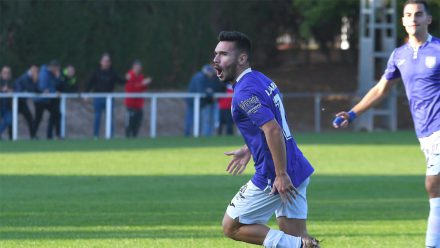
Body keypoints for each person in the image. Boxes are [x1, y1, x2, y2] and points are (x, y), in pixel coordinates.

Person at [333, 1, 440, 247]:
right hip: (424, 133)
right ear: (403, 21)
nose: (414, 18)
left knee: (432, 184)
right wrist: (352, 113)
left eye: (419, 14)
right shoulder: (399, 55)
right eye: (408, 15)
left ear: (428, 19)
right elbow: (381, 89)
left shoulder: (438, 50)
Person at [213, 31, 319, 248]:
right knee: (293, 239)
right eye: (215, 54)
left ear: (242, 58)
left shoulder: (244, 92)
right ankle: (303, 245)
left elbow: (272, 130)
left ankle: (304, 246)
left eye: (223, 54)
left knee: (231, 226)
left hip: (274, 175)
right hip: (296, 167)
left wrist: (280, 175)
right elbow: (269, 124)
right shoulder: (260, 79)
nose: (216, 59)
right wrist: (249, 147)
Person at [86, 53, 124, 138]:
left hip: (109, 98)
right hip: (98, 97)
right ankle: (96, 135)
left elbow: (121, 81)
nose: (106, 63)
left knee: (110, 117)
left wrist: (128, 79)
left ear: (110, 63)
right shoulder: (96, 72)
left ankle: (110, 136)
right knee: (97, 116)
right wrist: (86, 94)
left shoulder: (113, 73)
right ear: (101, 62)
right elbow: (89, 83)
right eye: (104, 61)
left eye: (107, 61)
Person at [184, 64, 219, 137]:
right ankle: (187, 135)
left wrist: (209, 91)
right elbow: (201, 91)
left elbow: (207, 90)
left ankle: (195, 135)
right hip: (193, 102)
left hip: (197, 102)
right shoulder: (200, 77)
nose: (212, 74)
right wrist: (209, 93)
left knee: (197, 119)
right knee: (191, 119)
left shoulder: (202, 76)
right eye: (211, 72)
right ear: (207, 71)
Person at [34, 60, 62, 140]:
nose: (57, 71)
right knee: (38, 118)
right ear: (53, 68)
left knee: (56, 114)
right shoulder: (44, 73)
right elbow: (43, 87)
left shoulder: (52, 74)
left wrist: (57, 78)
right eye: (57, 69)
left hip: (48, 99)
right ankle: (33, 135)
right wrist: (53, 91)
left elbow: (55, 85)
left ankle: (54, 135)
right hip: (40, 100)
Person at [124, 60, 152, 138]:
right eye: (136, 67)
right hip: (130, 105)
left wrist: (146, 84)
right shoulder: (129, 76)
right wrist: (142, 84)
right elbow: (130, 88)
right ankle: (127, 139)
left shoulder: (141, 77)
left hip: (139, 105)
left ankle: (135, 139)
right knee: (129, 124)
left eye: (139, 67)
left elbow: (142, 89)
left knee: (137, 123)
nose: (138, 69)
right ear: (133, 67)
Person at [14, 65, 39, 139]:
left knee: (30, 118)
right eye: (35, 71)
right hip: (16, 102)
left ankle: (33, 136)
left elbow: (35, 90)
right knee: (12, 119)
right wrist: (35, 81)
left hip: (22, 102)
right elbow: (30, 89)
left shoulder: (31, 78)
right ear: (31, 70)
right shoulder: (25, 77)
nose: (36, 73)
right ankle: (11, 136)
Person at [0, 66, 13, 140]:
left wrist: (9, 90)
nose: (6, 74)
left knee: (9, 120)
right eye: (5, 72)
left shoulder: (12, 81)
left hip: (7, 107)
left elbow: (15, 89)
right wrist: (2, 89)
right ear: (1, 73)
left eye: (8, 73)